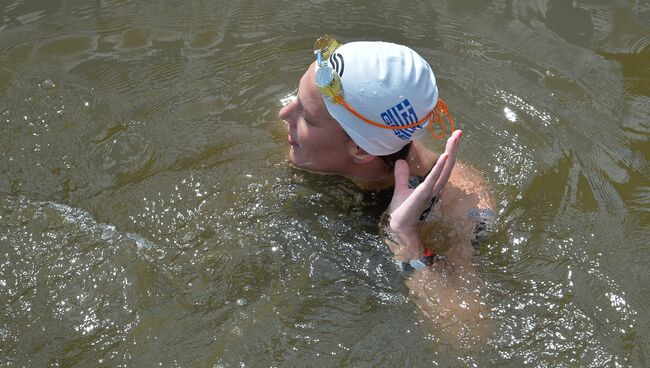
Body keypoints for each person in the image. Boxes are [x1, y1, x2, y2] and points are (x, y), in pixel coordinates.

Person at [279, 36, 495, 342]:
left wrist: (405, 239)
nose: (284, 114)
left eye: (307, 117)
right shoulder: (309, 145)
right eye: (296, 99)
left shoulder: (461, 201)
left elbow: (469, 332)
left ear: (360, 150)